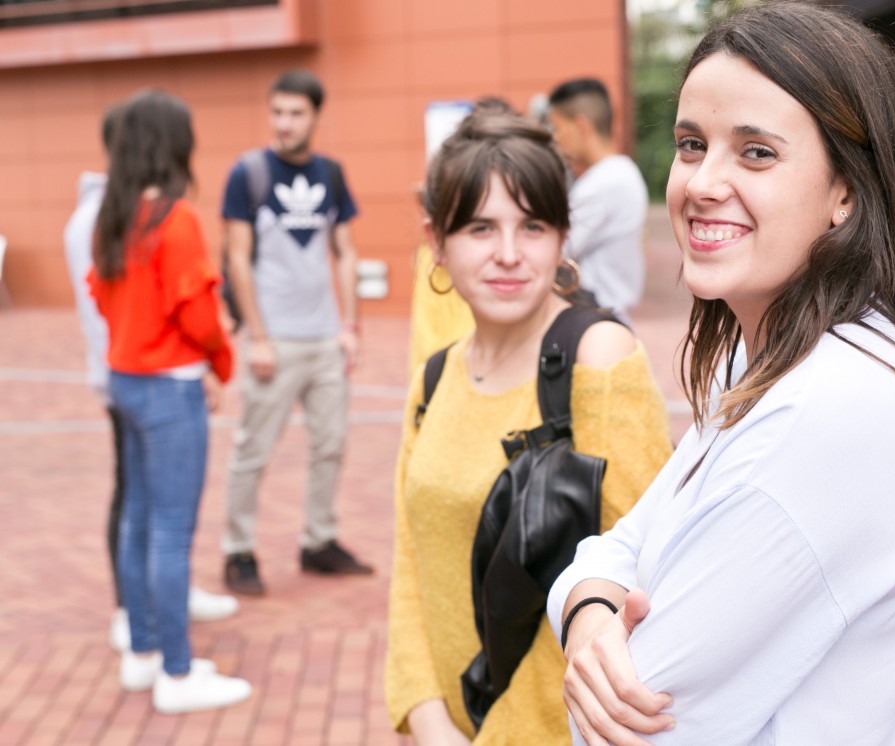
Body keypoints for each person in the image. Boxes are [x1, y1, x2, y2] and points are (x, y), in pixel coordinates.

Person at [547, 3, 895, 744]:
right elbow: (618, 547)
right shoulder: (771, 356)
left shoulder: (833, 408)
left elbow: (633, 724)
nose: (703, 182)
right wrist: (587, 619)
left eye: (757, 153)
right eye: (689, 144)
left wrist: (589, 628)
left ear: (847, 190)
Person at [385, 111, 673, 744]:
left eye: (533, 226)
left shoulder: (596, 357)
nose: (509, 254)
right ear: (438, 241)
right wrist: (427, 714)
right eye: (481, 227)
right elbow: (412, 565)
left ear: (563, 236)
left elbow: (641, 586)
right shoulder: (433, 379)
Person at [89, 89, 251, 714]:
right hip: (169, 387)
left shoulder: (114, 213)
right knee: (169, 533)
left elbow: (102, 297)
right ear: (171, 143)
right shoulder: (174, 218)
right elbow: (199, 312)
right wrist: (220, 358)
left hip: (126, 379)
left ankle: (145, 653)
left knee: (137, 519)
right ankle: (178, 675)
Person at [221, 69, 371, 596]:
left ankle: (319, 542)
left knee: (330, 446)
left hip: (326, 338)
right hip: (276, 341)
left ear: (315, 116)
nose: (284, 123)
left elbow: (347, 251)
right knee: (252, 450)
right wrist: (257, 337)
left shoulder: (331, 173)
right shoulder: (249, 173)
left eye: (296, 113)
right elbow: (238, 261)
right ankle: (238, 551)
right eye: (277, 111)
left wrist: (350, 326)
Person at [547, 78, 648, 323]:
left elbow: (556, 250)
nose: (557, 139)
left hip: (596, 315)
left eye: (558, 128)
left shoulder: (603, 183)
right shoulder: (622, 172)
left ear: (581, 126)